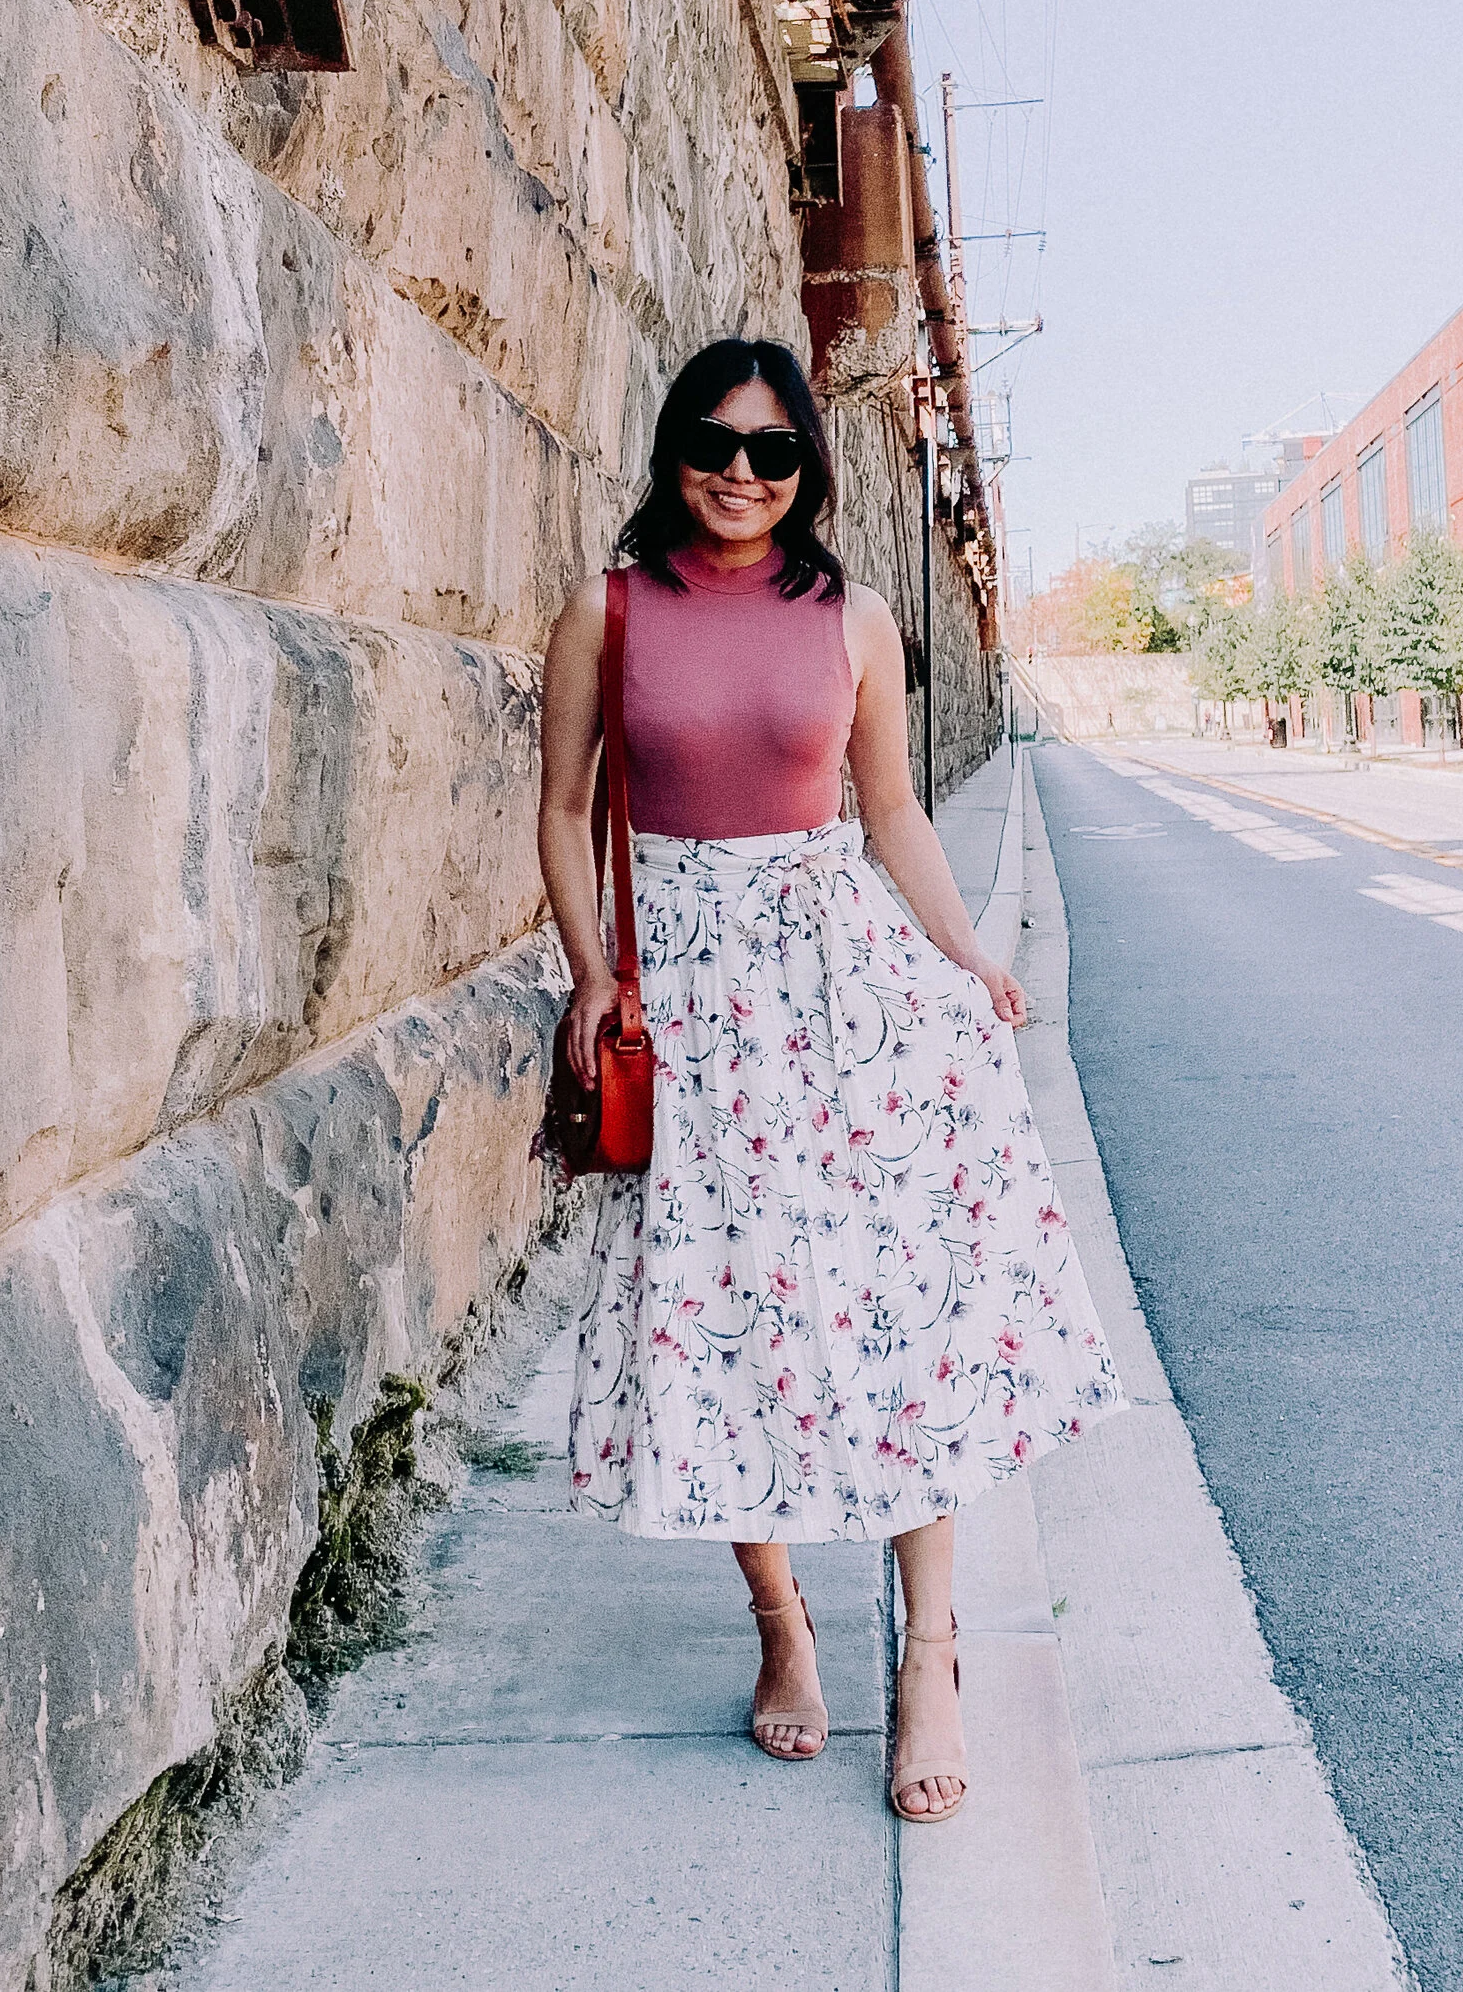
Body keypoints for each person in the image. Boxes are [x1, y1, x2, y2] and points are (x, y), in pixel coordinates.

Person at [537, 335, 1126, 1824]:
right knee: (726, 1313)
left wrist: (966, 955)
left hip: (842, 992)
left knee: (902, 1308)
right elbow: (559, 809)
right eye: (713, 444)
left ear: (809, 469)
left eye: (773, 450)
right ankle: (783, 1623)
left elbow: (890, 817)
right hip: (688, 997)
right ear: (671, 449)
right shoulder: (606, 613)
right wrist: (597, 975)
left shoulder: (851, 617)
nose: (742, 474)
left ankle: (929, 1656)